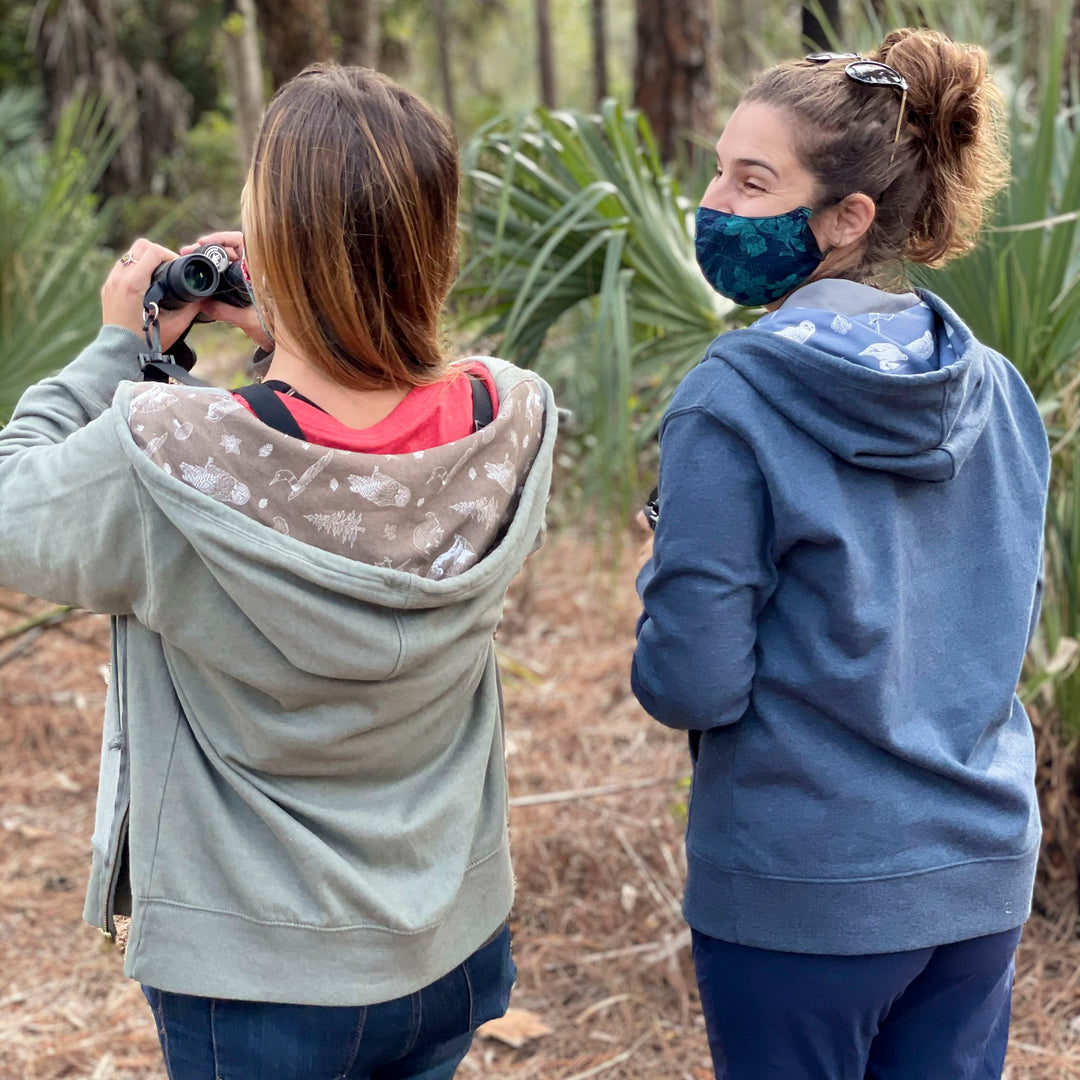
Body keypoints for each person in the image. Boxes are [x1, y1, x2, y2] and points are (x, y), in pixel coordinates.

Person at [0, 65, 557, 1079]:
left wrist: (116, 347)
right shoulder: (510, 418)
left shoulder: (167, 453)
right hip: (451, 944)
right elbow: (365, 454)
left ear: (274, 248)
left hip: (260, 980)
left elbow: (10, 504)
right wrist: (299, 335)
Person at [631, 28, 1049, 1080]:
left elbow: (689, 681)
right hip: (981, 874)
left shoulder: (731, 398)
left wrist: (664, 573)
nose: (715, 201)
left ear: (848, 217)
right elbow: (998, 620)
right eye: (718, 169)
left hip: (803, 890)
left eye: (751, 181)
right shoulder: (997, 387)